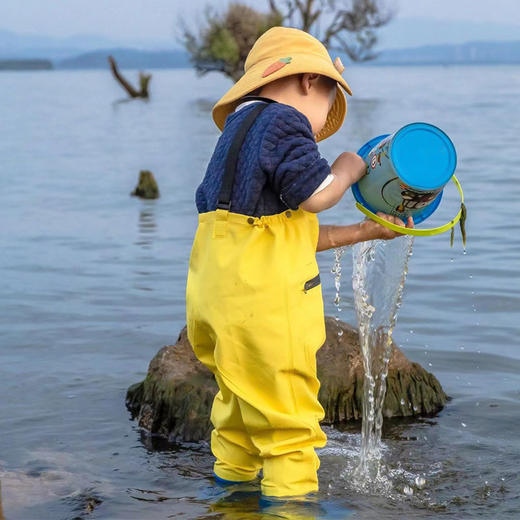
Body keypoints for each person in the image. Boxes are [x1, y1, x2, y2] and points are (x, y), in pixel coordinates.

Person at [185, 26, 414, 500]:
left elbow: (286, 237)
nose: (320, 127)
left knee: (238, 413)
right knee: (290, 426)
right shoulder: (285, 121)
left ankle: (231, 503)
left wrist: (366, 232)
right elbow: (315, 199)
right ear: (310, 82)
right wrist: (349, 167)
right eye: (330, 104)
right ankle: (292, 510)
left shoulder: (237, 132)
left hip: (215, 303)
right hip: (267, 310)